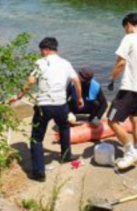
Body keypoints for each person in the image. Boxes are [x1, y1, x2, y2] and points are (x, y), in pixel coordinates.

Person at [9, 37, 83, 182]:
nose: (41, 54)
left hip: (44, 105)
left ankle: (39, 173)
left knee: (36, 138)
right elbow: (76, 81)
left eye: (41, 51)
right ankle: (66, 155)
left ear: (46, 49)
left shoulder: (40, 63)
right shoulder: (66, 63)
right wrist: (79, 99)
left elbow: (30, 81)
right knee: (64, 127)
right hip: (61, 104)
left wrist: (19, 96)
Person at [106, 12, 137, 171]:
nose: (125, 31)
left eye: (125, 28)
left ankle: (129, 151)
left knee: (111, 120)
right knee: (135, 119)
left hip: (129, 88)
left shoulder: (129, 38)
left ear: (129, 25)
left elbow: (121, 62)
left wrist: (112, 77)